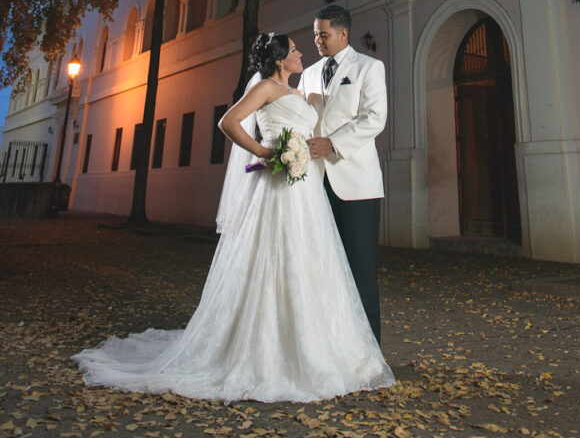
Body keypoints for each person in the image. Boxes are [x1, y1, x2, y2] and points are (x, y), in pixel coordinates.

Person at [73, 33, 394, 404]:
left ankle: (321, 343)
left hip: (307, 190)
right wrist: (263, 150)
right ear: (279, 61)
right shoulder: (264, 88)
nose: (301, 51)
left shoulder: (299, 90)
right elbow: (229, 122)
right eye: (293, 50)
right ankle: (267, 349)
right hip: (278, 189)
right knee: (271, 260)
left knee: (310, 263)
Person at [301, 5, 387, 344]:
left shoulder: (369, 67)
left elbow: (374, 118)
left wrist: (333, 144)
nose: (318, 40)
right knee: (321, 269)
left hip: (357, 186)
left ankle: (368, 350)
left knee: (361, 270)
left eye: (324, 34)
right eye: (315, 35)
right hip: (314, 184)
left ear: (344, 34)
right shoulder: (308, 73)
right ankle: (329, 346)